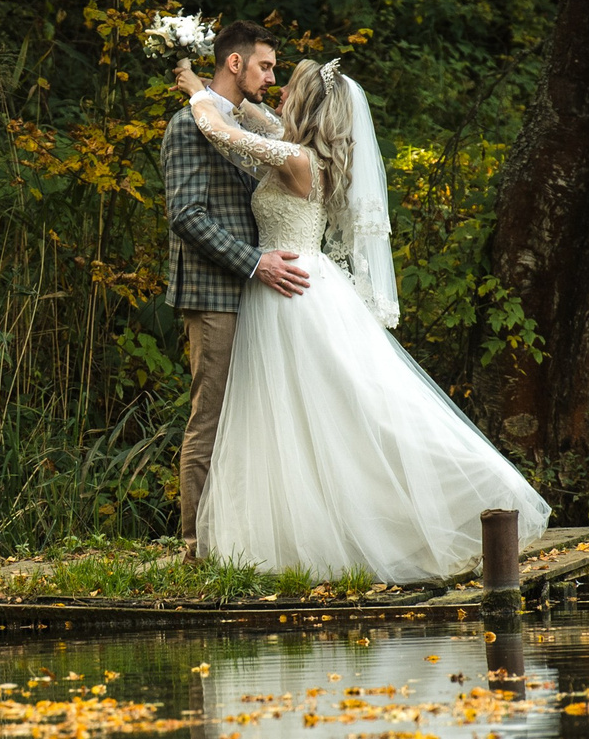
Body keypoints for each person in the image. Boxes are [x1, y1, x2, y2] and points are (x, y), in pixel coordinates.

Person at [172, 50, 550, 584]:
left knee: (335, 413)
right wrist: (213, 87)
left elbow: (218, 128)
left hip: (292, 293)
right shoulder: (297, 149)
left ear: (304, 103)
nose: (278, 94)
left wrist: (194, 91)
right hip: (290, 288)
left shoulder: (298, 160)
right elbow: (256, 119)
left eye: (289, 89)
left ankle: (467, 491)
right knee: (297, 421)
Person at [160, 20, 310, 559]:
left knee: (252, 417)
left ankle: (245, 536)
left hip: (257, 293)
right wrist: (255, 263)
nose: (271, 76)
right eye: (266, 65)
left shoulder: (236, 122)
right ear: (235, 63)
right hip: (215, 294)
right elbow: (188, 216)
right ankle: (196, 544)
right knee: (212, 415)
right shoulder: (186, 126)